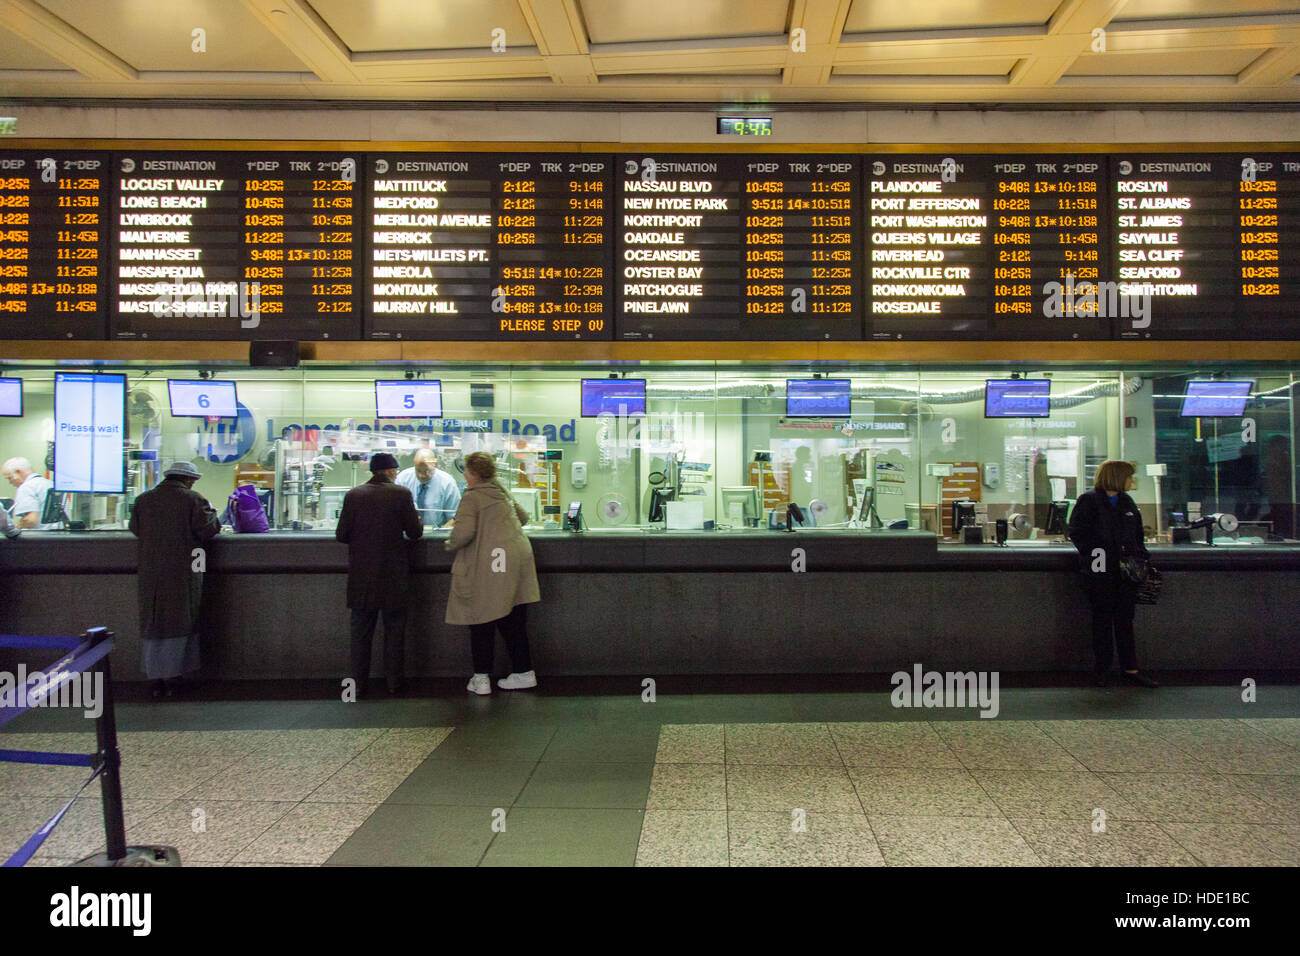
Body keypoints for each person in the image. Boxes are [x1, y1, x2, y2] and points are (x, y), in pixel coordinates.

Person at [445, 451, 540, 695]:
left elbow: (463, 533)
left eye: (466, 470)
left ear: (473, 474)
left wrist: (449, 543)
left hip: (490, 565)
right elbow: (524, 517)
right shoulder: (500, 492)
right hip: (516, 562)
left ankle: (481, 678)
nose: (465, 475)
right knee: (513, 619)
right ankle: (523, 672)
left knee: (480, 619)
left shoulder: (473, 496)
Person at [127, 460, 221, 699]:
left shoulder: (143, 500)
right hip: (184, 570)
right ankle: (174, 677)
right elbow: (208, 530)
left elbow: (135, 528)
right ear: (188, 480)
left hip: (150, 572)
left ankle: (154, 677)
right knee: (181, 621)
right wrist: (214, 514)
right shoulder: (193, 499)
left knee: (153, 622)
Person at [336, 451, 423, 697]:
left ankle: (357, 686)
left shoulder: (354, 495)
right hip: (394, 576)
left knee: (360, 635)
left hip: (362, 577)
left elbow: (341, 535)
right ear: (392, 471)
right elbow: (415, 532)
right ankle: (394, 684)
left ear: (372, 471)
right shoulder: (401, 494)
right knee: (394, 632)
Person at [1067, 459, 1159, 689]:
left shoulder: (1127, 502)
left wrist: (1141, 558)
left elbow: (1137, 536)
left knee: (1125, 621)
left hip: (1125, 574)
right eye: (1129, 477)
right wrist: (1097, 554)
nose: (1132, 481)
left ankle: (1130, 668)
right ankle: (1103, 669)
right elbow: (1078, 533)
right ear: (1117, 477)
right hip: (1100, 573)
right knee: (1103, 622)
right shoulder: (1089, 501)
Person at [395, 448, 461, 527]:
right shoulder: (402, 479)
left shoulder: (447, 483)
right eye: (418, 470)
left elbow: (455, 517)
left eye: (427, 471)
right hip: (407, 534)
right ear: (414, 465)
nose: (421, 475)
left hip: (437, 535)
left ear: (435, 465)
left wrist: (440, 534)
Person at [2, 457, 57, 530]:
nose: (10, 482)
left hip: (39, 538)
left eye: (9, 478)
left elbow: (30, 520)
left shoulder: (26, 487)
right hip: (60, 536)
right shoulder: (51, 484)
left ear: (18, 471)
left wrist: (15, 527)